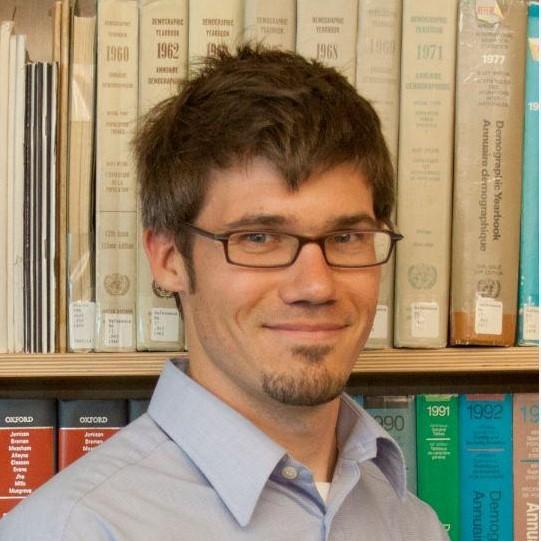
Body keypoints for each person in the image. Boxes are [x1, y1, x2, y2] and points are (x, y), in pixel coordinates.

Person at [0, 45, 449, 540]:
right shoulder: (72, 530)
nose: (316, 285)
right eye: (258, 238)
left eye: (346, 238)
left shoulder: (414, 524)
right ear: (170, 258)